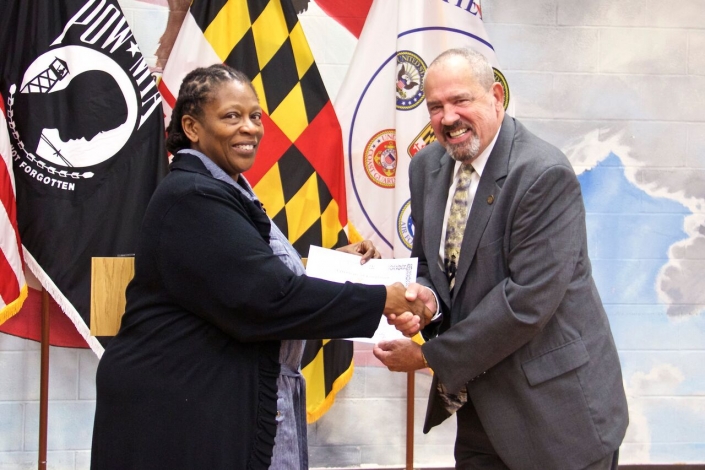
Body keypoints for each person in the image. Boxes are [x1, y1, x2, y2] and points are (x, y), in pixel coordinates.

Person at [90, 64, 431, 470]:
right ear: (192, 127)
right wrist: (382, 298)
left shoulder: (224, 187)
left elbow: (243, 277)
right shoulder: (193, 196)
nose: (250, 128)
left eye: (254, 116)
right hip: (184, 413)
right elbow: (266, 298)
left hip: (211, 397)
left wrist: (335, 266)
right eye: (231, 116)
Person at [373, 48, 628, 470]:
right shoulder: (426, 167)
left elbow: (526, 302)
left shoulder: (543, 173)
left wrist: (427, 357)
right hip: (481, 409)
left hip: (558, 418)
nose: (447, 117)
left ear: (495, 96)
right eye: (435, 107)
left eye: (460, 101)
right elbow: (433, 266)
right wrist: (427, 302)